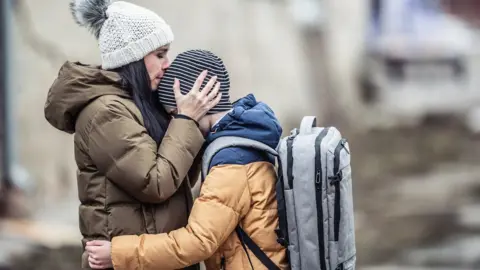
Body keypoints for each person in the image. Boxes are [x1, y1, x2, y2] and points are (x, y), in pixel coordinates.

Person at [44, 1, 221, 269]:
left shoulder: (136, 105)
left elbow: (179, 180)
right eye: (159, 54)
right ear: (134, 57)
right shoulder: (105, 112)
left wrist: (189, 123)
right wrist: (185, 121)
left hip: (152, 257)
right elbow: (156, 183)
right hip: (125, 262)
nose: (167, 64)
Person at [85, 49, 288, 270]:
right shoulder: (243, 138)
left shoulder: (232, 160)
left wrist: (117, 253)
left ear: (200, 100)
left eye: (175, 113)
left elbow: (197, 242)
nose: (178, 121)